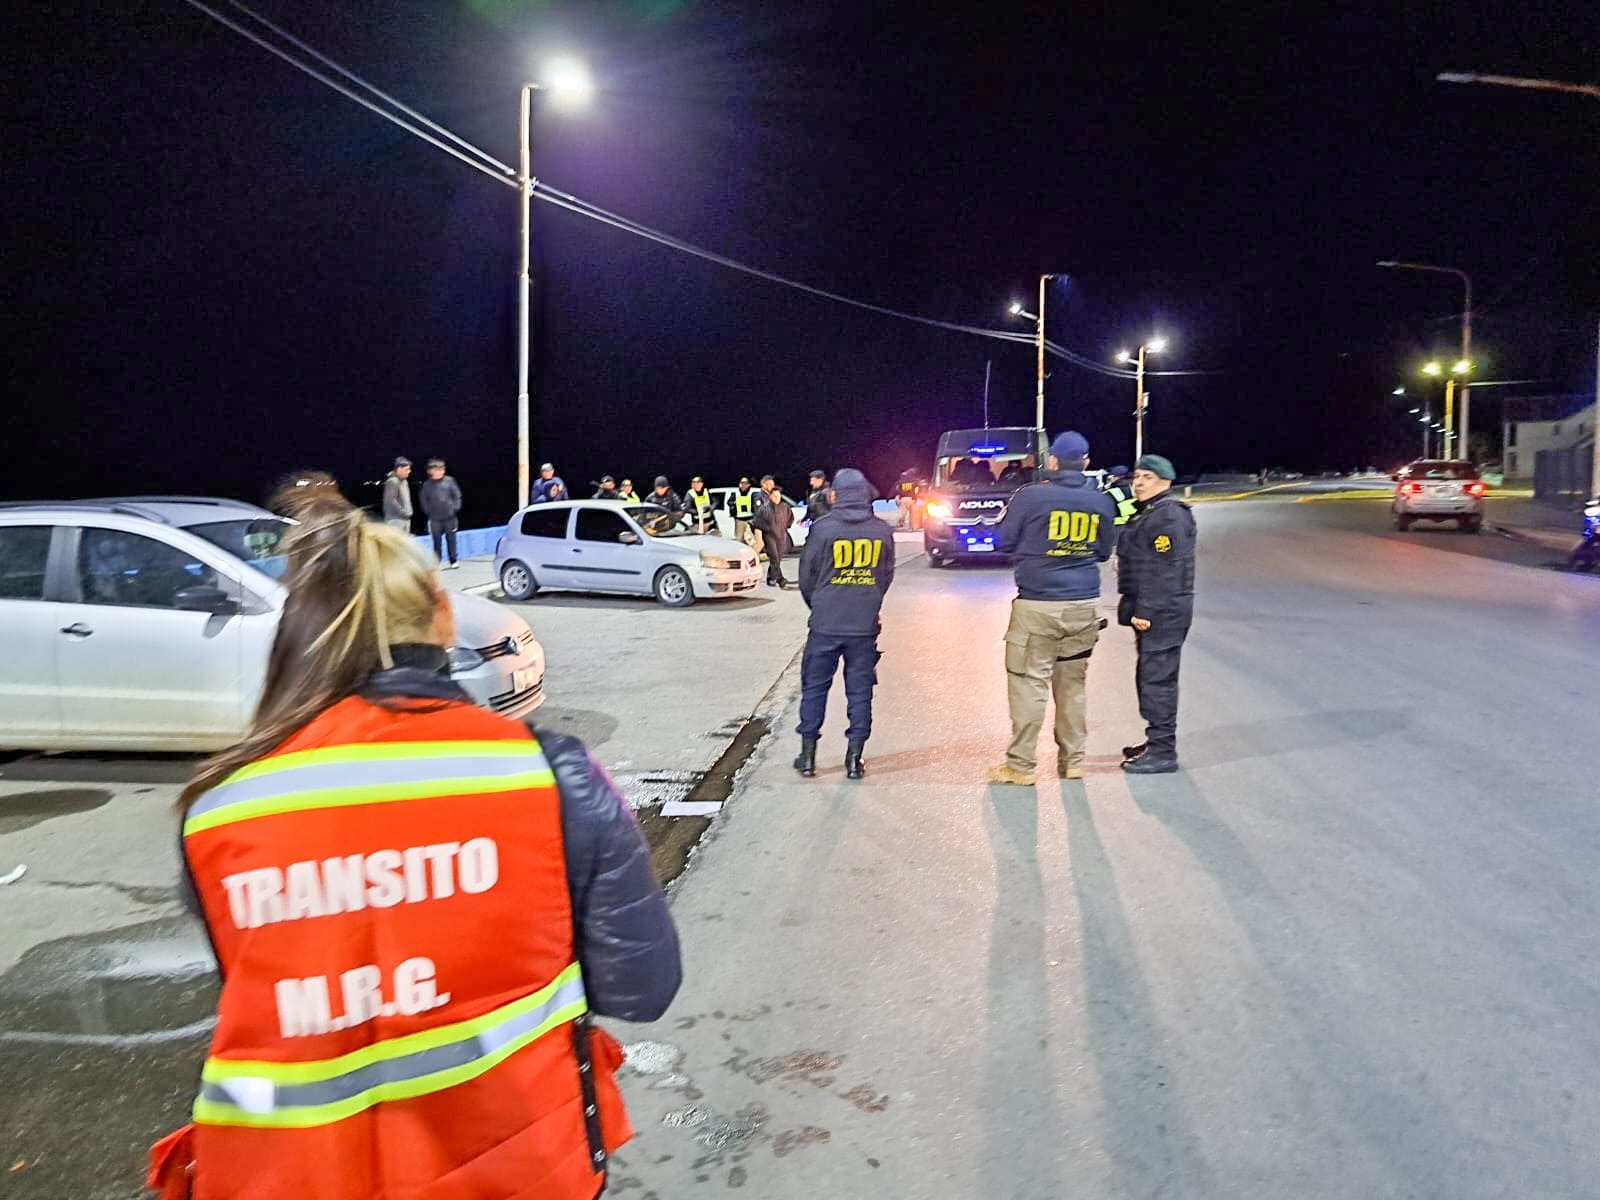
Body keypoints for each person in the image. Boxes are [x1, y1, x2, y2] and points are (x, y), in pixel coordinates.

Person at [154, 491, 681, 1200]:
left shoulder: (219, 809)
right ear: (440, 614)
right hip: (519, 1167)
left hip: (284, 1177)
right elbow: (643, 987)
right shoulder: (546, 773)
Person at [988, 431, 1116, 786]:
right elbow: (1105, 551)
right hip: (1084, 607)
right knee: (1072, 685)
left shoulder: (1031, 497)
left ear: (1053, 462)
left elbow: (1003, 540)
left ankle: (1021, 766)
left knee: (1030, 684)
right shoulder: (1102, 501)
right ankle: (1073, 761)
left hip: (1039, 606)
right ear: (1086, 463)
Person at [794, 469, 895, 780]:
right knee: (860, 691)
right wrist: (868, 602)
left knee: (814, 688)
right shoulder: (881, 531)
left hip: (825, 624)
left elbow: (806, 578)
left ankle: (809, 758)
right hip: (863, 627)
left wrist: (821, 605)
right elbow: (885, 576)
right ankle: (854, 759)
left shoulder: (823, 530)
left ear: (835, 495)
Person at [1116, 453, 1197, 774]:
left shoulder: (1168, 517)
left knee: (1158, 680)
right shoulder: (1151, 512)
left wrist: (1145, 610)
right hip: (1160, 609)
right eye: (1137, 477)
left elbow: (1164, 569)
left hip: (1163, 612)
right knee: (1150, 676)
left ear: (1165, 481)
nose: (1138, 483)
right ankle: (1156, 740)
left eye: (1147, 477)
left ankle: (1163, 751)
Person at [751, 476, 793, 587]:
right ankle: (780, 579)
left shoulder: (782, 504)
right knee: (774, 557)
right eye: (770, 484)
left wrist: (784, 527)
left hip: (779, 533)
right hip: (767, 533)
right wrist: (760, 536)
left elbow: (788, 518)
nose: (772, 486)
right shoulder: (760, 499)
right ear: (763, 484)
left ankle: (771, 577)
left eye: (773, 484)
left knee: (777, 557)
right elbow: (758, 517)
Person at [421, 458, 462, 569]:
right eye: (437, 469)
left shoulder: (450, 481)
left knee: (451, 539)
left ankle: (453, 560)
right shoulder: (427, 485)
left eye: (442, 469)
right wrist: (428, 512)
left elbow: (457, 495)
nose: (441, 471)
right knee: (436, 541)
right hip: (435, 519)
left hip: (450, 517)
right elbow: (424, 500)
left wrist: (455, 508)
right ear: (430, 471)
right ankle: (437, 562)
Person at [381, 457, 413, 532]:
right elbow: (391, 501)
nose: (409, 471)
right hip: (395, 520)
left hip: (405, 519)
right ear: (399, 469)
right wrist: (404, 512)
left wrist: (409, 512)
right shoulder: (392, 481)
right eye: (406, 469)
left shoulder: (404, 482)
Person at [726, 476, 760, 548]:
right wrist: (733, 505)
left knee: (750, 539)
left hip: (750, 520)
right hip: (739, 520)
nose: (743, 485)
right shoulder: (735, 493)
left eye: (745, 483)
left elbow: (757, 503)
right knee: (739, 539)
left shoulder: (752, 493)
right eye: (742, 483)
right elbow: (729, 502)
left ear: (749, 485)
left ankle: (754, 554)